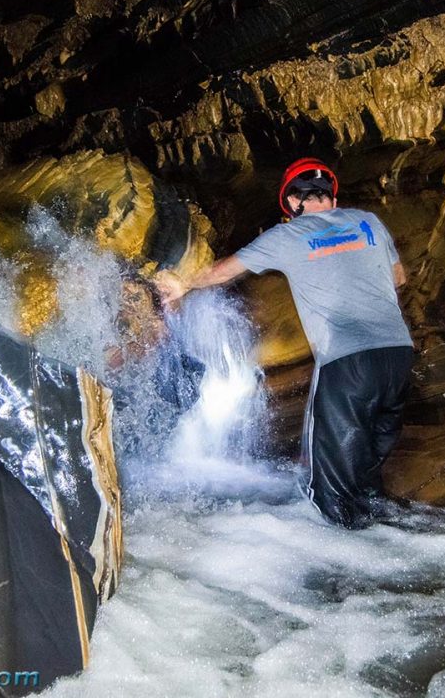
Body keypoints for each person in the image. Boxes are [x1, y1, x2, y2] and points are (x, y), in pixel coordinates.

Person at [157, 157, 414, 528]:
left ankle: (346, 559)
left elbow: (222, 271)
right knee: (367, 468)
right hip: (398, 357)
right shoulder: (368, 222)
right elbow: (399, 278)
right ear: (331, 197)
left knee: (328, 485)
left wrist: (183, 284)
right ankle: (384, 538)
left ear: (293, 204)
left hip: (346, 364)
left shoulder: (287, 236)